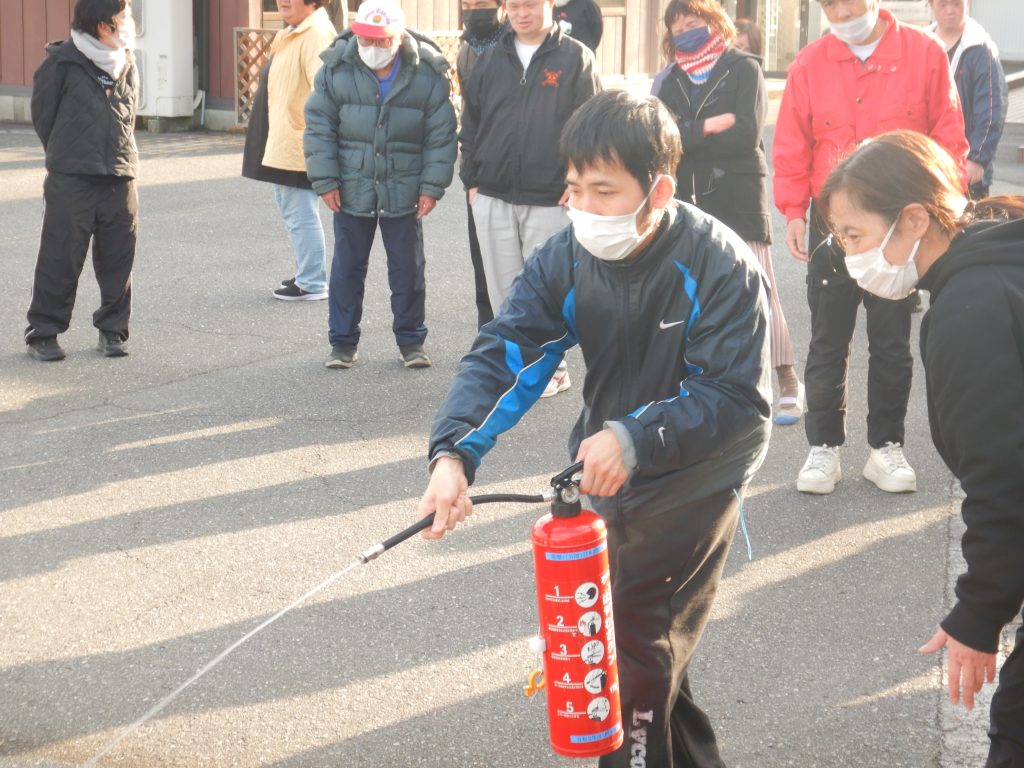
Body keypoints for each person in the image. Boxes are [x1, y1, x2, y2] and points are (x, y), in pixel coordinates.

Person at [418, 90, 772, 768]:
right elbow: (507, 352)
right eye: (574, 188)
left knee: (633, 644)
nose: (582, 207)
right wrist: (454, 454)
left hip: (701, 471)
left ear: (659, 190)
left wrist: (636, 436)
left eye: (604, 191)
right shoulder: (566, 257)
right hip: (610, 462)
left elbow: (734, 395)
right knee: (639, 634)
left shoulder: (718, 262)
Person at [818, 129, 1024, 768]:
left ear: (914, 219)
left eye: (854, 235)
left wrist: (978, 614)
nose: (848, 255)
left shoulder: (969, 312)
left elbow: (1002, 477)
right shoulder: (1002, 257)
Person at [772, 0, 969, 495]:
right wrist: (793, 211)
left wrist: (946, 214)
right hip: (833, 222)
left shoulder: (924, 54)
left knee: (891, 339)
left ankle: (886, 446)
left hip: (898, 226)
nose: (840, 12)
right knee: (827, 338)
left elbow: (948, 141)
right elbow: (792, 142)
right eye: (829, 5)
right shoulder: (810, 63)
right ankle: (823, 447)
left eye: (848, 3)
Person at [653, 0, 803, 426]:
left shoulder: (743, 67)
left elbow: (745, 135)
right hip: (687, 198)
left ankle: (787, 379)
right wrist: (705, 127)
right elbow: (663, 138)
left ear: (713, 20)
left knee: (759, 286)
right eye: (678, 25)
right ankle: (712, 381)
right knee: (694, 292)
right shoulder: (671, 79)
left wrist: (689, 137)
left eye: (693, 20)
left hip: (738, 193)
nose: (686, 29)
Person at [459, 0, 601, 397]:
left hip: (551, 196)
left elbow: (592, 125)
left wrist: (579, 181)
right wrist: (472, 181)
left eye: (531, 4)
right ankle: (516, 368)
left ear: (550, 4)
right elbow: (470, 122)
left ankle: (552, 369)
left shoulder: (575, 58)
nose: (523, 13)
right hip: (492, 192)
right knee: (504, 292)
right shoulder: (491, 58)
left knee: (547, 288)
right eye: (515, 5)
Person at [304, 0, 457, 369]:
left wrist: (432, 186)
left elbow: (441, 135)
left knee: (408, 270)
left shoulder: (427, 73)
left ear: (398, 37)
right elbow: (319, 128)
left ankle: (411, 342)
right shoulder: (336, 69)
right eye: (366, 39)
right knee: (347, 268)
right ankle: (343, 343)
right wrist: (326, 181)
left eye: (382, 40)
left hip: (404, 188)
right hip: (351, 186)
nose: (373, 47)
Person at [24, 0, 139, 361]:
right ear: (103, 25)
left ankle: (113, 330)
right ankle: (44, 332)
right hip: (72, 176)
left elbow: (129, 114)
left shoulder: (127, 61)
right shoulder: (61, 62)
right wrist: (68, 154)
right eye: (124, 16)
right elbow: (44, 117)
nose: (129, 21)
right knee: (61, 254)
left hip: (119, 172)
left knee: (119, 255)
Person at [242, 0, 336, 302]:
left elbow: (325, 95)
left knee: (300, 212)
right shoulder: (295, 31)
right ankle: (306, 273)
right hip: (285, 138)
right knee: (291, 207)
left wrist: (315, 139)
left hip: (300, 141)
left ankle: (312, 282)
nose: (283, 1)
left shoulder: (316, 34)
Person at [456, 0, 508, 328]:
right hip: (480, 172)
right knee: (483, 261)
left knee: (521, 267)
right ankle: (487, 334)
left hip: (523, 173)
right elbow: (469, 118)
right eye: (468, 3)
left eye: (483, 3)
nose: (475, 9)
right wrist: (470, 176)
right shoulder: (465, 52)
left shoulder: (518, 47)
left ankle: (529, 342)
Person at [928, 0, 1008, 201]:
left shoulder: (981, 48)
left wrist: (977, 158)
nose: (950, 11)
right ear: (931, 4)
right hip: (927, 161)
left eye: (957, 4)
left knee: (968, 219)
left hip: (965, 167)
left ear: (968, 3)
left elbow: (991, 109)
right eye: (942, 5)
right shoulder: (921, 44)